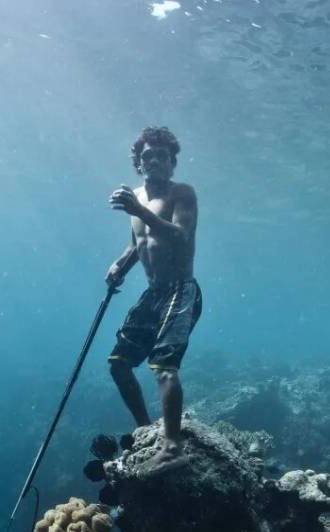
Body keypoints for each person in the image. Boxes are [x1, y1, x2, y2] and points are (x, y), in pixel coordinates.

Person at [104, 126, 202, 472]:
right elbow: (138, 245)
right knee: (119, 364)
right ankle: (146, 429)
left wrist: (140, 211)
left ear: (172, 162)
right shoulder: (137, 199)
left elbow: (179, 236)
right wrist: (120, 266)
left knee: (163, 366)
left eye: (162, 155)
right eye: (148, 156)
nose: (155, 161)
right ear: (138, 163)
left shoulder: (182, 193)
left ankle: (173, 446)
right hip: (153, 293)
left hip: (180, 289)